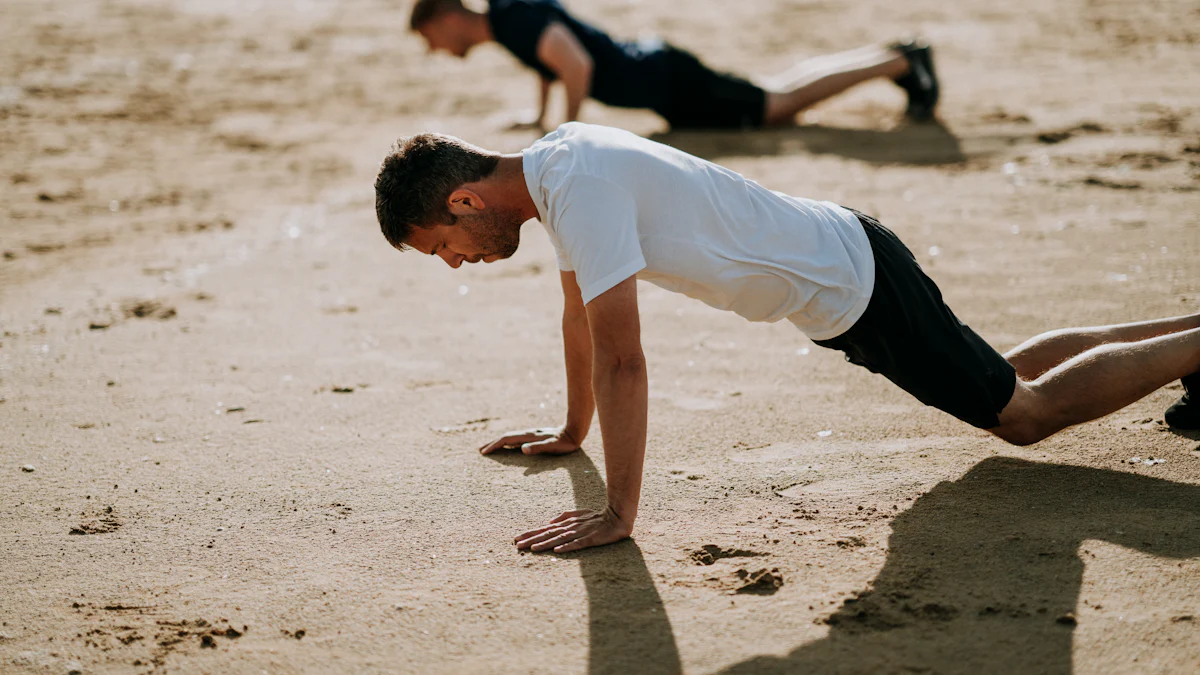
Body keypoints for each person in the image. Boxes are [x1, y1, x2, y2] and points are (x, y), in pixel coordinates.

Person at [373, 122, 1200, 554]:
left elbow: (624, 359)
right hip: (847, 263)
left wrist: (619, 512)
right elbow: (579, 318)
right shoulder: (559, 167)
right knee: (1006, 373)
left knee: (1023, 415)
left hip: (853, 285)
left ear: (464, 202)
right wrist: (570, 429)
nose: (455, 264)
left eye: (442, 246)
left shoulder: (576, 189)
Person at [408, 0, 939, 130]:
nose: (435, 49)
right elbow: (550, 63)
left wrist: (566, 131)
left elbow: (575, 64)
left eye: (430, 39)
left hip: (666, 80)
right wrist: (540, 116)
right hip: (662, 79)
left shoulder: (512, 18)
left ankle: (899, 61)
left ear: (447, 17)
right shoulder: (507, 20)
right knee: (776, 94)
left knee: (779, 104)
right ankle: (893, 56)